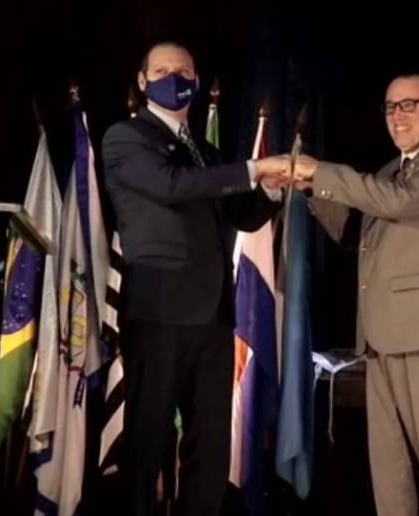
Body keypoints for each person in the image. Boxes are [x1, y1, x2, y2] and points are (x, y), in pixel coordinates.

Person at [102, 41, 290, 516]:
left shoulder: (205, 151)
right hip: (159, 316)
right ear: (142, 81)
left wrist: (269, 190)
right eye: (162, 70)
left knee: (209, 450)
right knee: (146, 445)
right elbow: (170, 186)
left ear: (197, 79)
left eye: (183, 71)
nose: (174, 78)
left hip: (213, 318)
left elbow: (241, 215)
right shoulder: (126, 138)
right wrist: (252, 169)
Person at [291, 72, 419, 516]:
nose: (397, 115)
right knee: (389, 468)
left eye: (409, 104)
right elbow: (353, 231)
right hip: (380, 336)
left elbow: (397, 203)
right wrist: (311, 188)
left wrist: (322, 171)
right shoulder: (389, 172)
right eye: (390, 107)